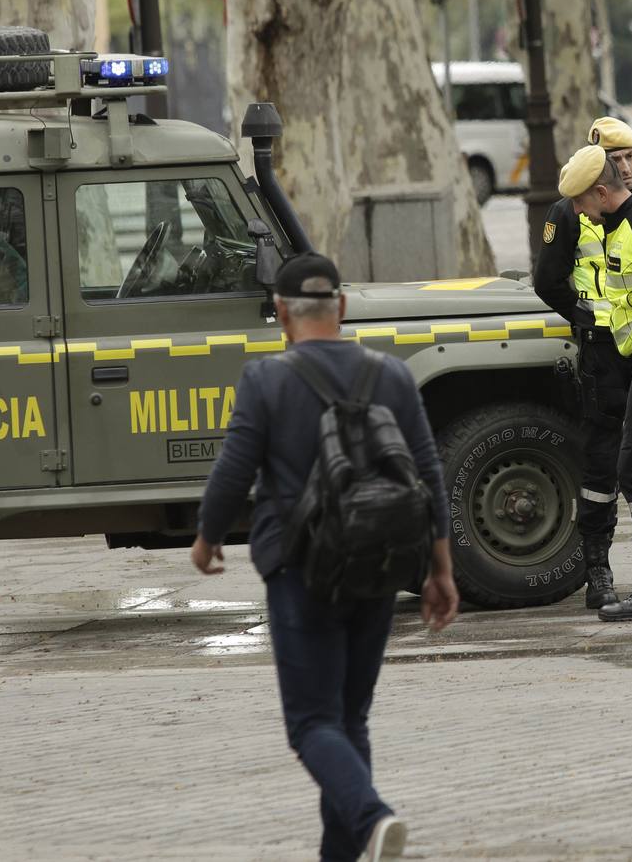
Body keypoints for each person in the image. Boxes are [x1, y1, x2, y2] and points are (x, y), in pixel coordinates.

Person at [190, 252, 459, 862]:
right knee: (349, 720)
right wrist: (440, 571)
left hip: (300, 570)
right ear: (340, 307)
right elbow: (427, 473)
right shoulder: (391, 375)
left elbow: (234, 471)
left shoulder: (267, 379)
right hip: (380, 566)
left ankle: (370, 816)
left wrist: (207, 539)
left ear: (281, 313)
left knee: (313, 725)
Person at [533, 117, 632, 609]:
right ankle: (599, 574)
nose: (627, 166)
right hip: (600, 351)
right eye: (617, 159)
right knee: (602, 461)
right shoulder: (572, 210)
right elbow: (548, 281)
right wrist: (584, 316)